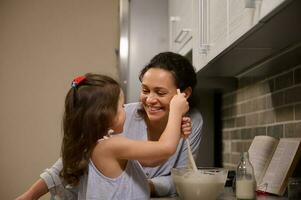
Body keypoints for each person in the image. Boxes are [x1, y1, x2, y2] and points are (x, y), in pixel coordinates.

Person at [16, 52, 203, 199]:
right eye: (145, 90)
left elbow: (152, 160)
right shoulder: (112, 142)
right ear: (105, 117)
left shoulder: (192, 121)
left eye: (160, 92)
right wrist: (30, 196)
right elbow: (163, 150)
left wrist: (177, 133)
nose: (149, 100)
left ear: (183, 94)